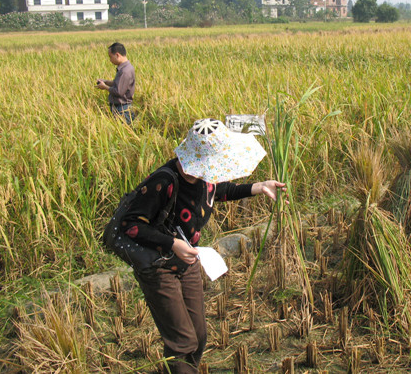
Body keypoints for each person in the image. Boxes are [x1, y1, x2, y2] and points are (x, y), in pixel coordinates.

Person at [120, 118, 286, 373]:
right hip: (158, 266)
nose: (216, 171)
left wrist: (258, 187)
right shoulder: (164, 181)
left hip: (187, 262)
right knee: (182, 342)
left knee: (198, 337)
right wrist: (172, 243)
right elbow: (131, 225)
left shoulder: (205, 176)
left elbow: (221, 191)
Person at [95, 42, 135, 124]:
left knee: (123, 132)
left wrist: (105, 87)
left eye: (110, 57)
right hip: (120, 108)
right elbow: (118, 84)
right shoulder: (125, 68)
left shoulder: (125, 71)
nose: (110, 60)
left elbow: (119, 91)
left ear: (117, 55)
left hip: (123, 109)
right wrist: (105, 82)